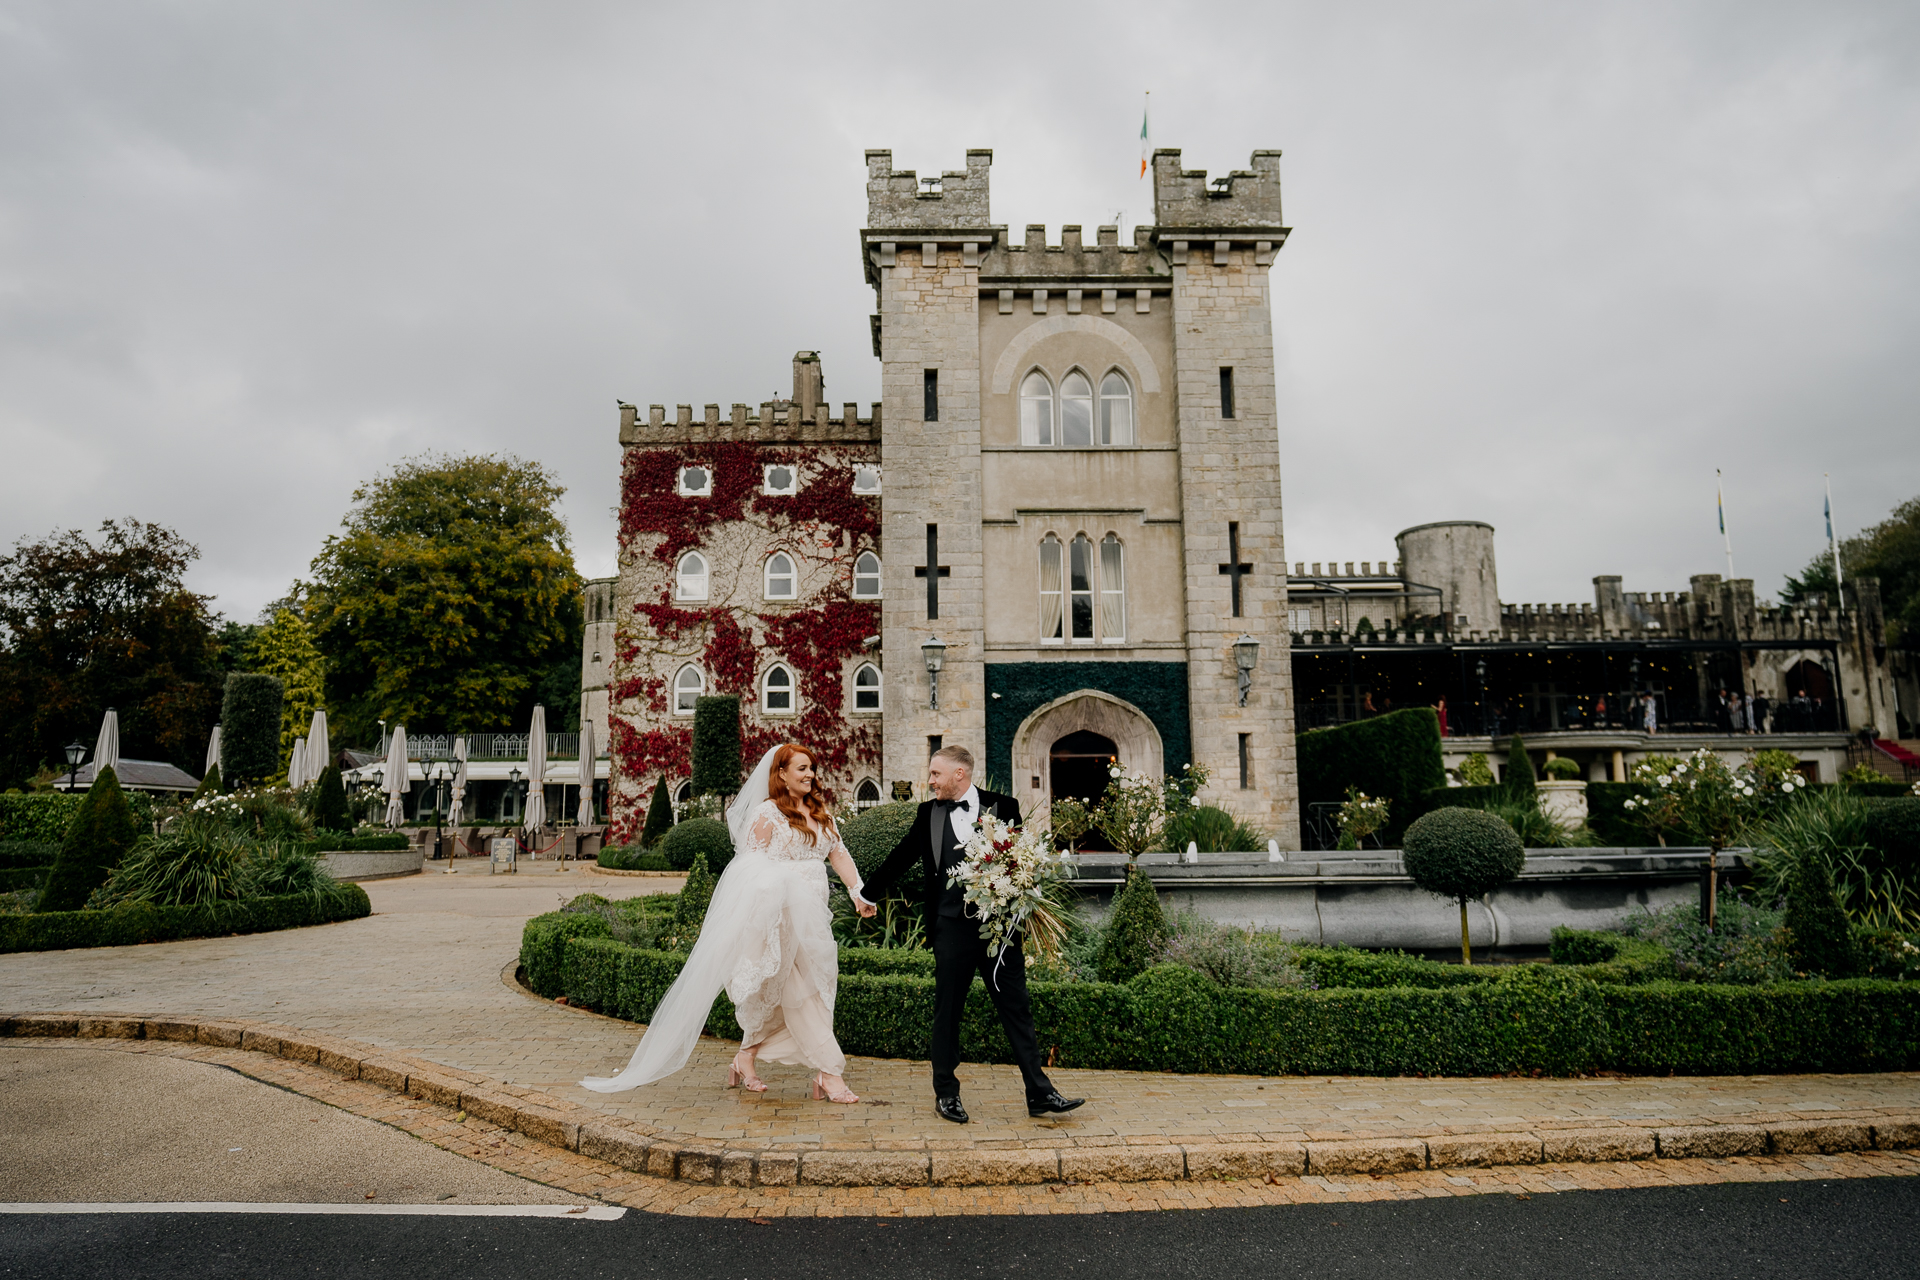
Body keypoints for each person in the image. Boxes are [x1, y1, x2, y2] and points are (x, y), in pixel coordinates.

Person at [580, 743, 867, 1103]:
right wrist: (781, 885)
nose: (810, 774)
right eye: (801, 768)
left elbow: (838, 853)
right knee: (800, 992)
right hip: (778, 918)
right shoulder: (767, 814)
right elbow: (748, 868)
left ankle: (745, 1057)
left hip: (814, 920)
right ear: (780, 774)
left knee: (810, 990)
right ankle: (830, 1072)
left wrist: (857, 892)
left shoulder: (820, 811)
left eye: (811, 768)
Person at [856, 745, 1086, 1125]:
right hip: (950, 928)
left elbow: (1021, 858)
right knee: (948, 1012)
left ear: (959, 774)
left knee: (1017, 1009)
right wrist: (867, 892)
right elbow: (902, 855)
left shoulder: (1005, 807)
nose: (930, 781)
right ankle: (946, 1094)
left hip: (999, 928)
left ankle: (1039, 1093)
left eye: (935, 774)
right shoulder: (927, 813)